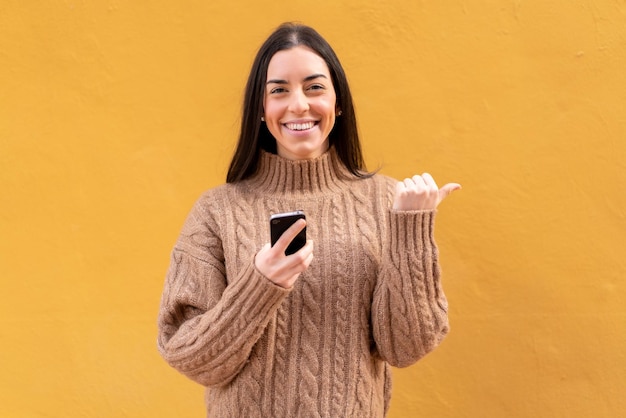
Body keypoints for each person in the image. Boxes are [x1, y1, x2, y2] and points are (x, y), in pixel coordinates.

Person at [157, 22, 461, 418]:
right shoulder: (217, 210)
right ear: (261, 111)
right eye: (279, 90)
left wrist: (413, 229)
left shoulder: (386, 201)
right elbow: (189, 355)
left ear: (337, 103)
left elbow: (406, 346)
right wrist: (260, 285)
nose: (298, 104)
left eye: (314, 87)